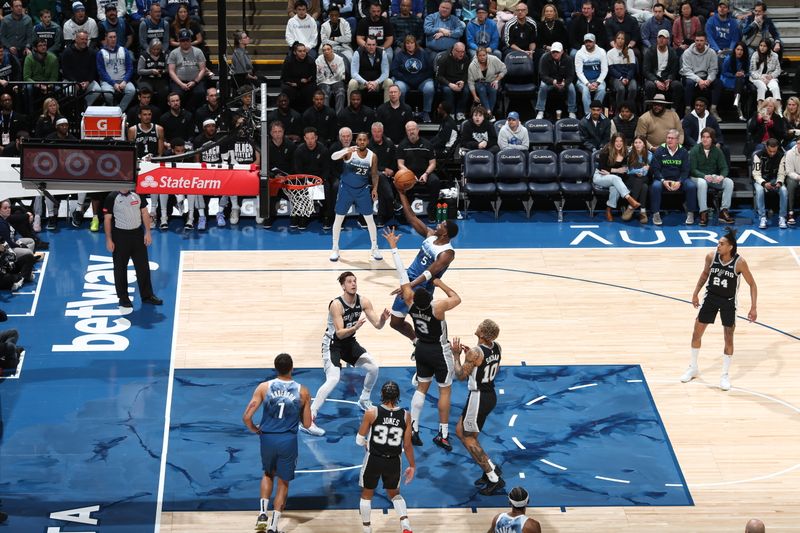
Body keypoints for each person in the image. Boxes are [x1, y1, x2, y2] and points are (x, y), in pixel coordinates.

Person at [303, 271, 388, 436]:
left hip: (349, 343)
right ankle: (309, 420)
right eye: (349, 281)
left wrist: (383, 319)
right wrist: (355, 328)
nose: (353, 284)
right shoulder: (336, 304)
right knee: (333, 379)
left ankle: (364, 399)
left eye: (355, 281)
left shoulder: (363, 301)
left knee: (373, 367)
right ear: (343, 286)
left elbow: (378, 325)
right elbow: (340, 333)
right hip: (333, 344)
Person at [242, 353, 312, 533]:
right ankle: (273, 526)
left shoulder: (264, 387)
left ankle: (262, 513)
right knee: (283, 482)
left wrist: (254, 429)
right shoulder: (303, 391)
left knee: (267, 474)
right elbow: (307, 424)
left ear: (275, 368)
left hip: (267, 438)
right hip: (287, 440)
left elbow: (247, 416)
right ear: (292, 368)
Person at [681, 228, 757, 391]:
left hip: (728, 302)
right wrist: (695, 294)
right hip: (710, 298)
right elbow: (704, 275)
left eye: (721, 244)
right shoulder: (711, 256)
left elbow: (752, 284)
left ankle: (724, 375)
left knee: (728, 337)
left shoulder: (740, 262)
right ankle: (693, 367)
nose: (718, 246)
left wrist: (753, 307)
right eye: (718, 243)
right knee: (696, 332)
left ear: (730, 247)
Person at [452, 319, 505, 496]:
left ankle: (494, 478)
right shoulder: (496, 347)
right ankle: (491, 468)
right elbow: (493, 369)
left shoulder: (475, 352)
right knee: (461, 431)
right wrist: (474, 362)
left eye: (480, 326)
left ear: (482, 334)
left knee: (469, 438)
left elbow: (460, 375)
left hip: (479, 397)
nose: (478, 326)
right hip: (490, 394)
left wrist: (456, 356)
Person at [355, 380, 415, 533]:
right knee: (395, 494)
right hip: (394, 460)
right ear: (398, 396)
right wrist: (412, 465)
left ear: (381, 394)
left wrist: (367, 444)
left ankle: (367, 529)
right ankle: (405, 524)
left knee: (367, 494)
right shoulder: (406, 415)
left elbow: (359, 440)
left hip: (374, 458)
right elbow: (407, 445)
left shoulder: (371, 412)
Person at [103, 188, 163, 312]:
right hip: (120, 236)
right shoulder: (111, 197)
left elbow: (145, 213)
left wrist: (148, 233)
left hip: (137, 234)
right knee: (120, 268)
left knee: (143, 267)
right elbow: (107, 219)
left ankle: (147, 296)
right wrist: (109, 239)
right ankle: (123, 298)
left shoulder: (137, 194)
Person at [329, 133, 383, 261]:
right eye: (360, 139)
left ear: (367, 141)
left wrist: (375, 188)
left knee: (369, 219)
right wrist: (345, 150)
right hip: (346, 189)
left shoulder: (372, 156)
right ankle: (335, 249)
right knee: (339, 218)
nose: (362, 142)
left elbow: (375, 174)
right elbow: (333, 157)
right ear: (356, 141)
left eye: (364, 140)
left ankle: (374, 248)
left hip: (362, 190)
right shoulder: (349, 152)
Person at [396, 121, 442, 221]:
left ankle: (431, 209)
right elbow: (400, 164)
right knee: (400, 183)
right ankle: (405, 213)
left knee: (435, 182)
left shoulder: (427, 144)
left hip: (425, 173)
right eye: (409, 130)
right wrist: (410, 175)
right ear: (406, 132)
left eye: (413, 129)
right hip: (408, 174)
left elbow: (433, 163)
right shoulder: (402, 145)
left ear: (418, 130)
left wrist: (426, 174)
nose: (411, 132)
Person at [689, 127, 735, 225]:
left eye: (708, 137)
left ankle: (724, 211)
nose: (705, 139)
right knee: (702, 183)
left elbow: (724, 168)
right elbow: (692, 170)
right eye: (703, 137)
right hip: (697, 177)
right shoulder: (695, 150)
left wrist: (721, 176)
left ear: (712, 139)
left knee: (729, 182)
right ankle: (703, 212)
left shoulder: (717, 151)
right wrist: (704, 176)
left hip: (711, 177)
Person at [650, 128, 694, 225]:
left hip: (678, 179)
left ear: (677, 140)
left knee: (691, 186)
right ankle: (656, 213)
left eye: (672, 138)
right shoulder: (660, 150)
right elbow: (655, 169)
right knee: (655, 186)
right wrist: (662, 180)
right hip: (663, 179)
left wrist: (680, 181)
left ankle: (691, 212)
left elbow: (685, 170)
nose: (669, 140)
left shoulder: (683, 151)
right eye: (668, 138)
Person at [594, 132, 642, 221]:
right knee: (616, 178)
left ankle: (608, 210)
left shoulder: (626, 153)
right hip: (600, 176)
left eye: (621, 141)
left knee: (615, 187)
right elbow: (602, 168)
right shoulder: (606, 150)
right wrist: (616, 170)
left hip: (615, 178)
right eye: (616, 141)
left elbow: (624, 169)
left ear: (624, 142)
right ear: (612, 142)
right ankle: (629, 199)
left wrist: (615, 171)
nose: (619, 143)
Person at [391, 34, 435, 123]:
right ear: (404, 44)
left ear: (415, 44)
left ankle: (426, 112)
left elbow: (430, 70)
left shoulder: (423, 53)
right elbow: (394, 70)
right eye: (407, 43)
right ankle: (402, 111)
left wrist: (419, 78)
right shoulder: (400, 54)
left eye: (411, 43)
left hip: (421, 80)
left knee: (429, 88)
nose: (409, 45)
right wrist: (406, 79)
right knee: (400, 88)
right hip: (405, 80)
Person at [167, 28, 207, 110]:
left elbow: (203, 69)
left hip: (195, 81)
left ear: (190, 40)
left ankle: (191, 112)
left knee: (200, 92)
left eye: (187, 40)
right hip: (179, 82)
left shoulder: (198, 52)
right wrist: (181, 84)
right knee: (177, 94)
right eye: (182, 40)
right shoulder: (174, 53)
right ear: (179, 41)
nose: (185, 42)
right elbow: (171, 71)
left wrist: (195, 82)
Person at [752, 137, 787, 229]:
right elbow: (756, 174)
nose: (772, 153)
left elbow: (781, 173)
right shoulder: (758, 155)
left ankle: (782, 217)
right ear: (766, 147)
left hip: (774, 179)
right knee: (759, 191)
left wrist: (779, 182)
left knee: (783, 190)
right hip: (760, 180)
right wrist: (763, 183)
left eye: (774, 151)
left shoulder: (781, 155)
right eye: (770, 151)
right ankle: (762, 217)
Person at [575, 33, 608, 116]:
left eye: (590, 42)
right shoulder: (579, 53)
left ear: (594, 42)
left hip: (597, 80)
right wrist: (588, 84)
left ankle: (596, 111)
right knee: (585, 91)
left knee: (601, 90)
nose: (588, 44)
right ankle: (588, 114)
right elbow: (579, 72)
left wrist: (597, 82)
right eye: (586, 42)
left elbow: (604, 70)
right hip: (583, 81)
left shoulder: (601, 52)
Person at [468, 46, 506, 117]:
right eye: (480, 55)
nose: (482, 57)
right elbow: (470, 82)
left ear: (487, 54)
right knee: (482, 90)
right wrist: (474, 96)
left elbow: (504, 69)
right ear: (476, 56)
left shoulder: (494, 59)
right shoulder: (472, 65)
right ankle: (489, 113)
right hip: (479, 82)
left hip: (492, 80)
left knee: (493, 89)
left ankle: (487, 113)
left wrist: (497, 80)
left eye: (484, 55)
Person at [606, 30, 638, 112]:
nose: (620, 40)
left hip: (629, 77)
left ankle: (630, 109)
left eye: (622, 39)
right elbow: (611, 69)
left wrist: (628, 78)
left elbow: (632, 68)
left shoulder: (630, 51)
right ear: (615, 39)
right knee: (621, 88)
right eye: (618, 38)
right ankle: (619, 110)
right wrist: (621, 78)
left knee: (633, 88)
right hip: (616, 77)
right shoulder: (610, 53)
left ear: (625, 41)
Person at [720, 41, 749, 121]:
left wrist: (743, 74)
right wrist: (734, 74)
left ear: (744, 51)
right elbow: (724, 72)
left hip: (739, 80)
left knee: (740, 80)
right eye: (738, 49)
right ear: (735, 50)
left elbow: (749, 72)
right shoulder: (729, 59)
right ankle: (738, 109)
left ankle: (737, 102)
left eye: (741, 50)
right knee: (739, 81)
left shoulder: (746, 60)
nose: (739, 52)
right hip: (728, 79)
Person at [626, 135, 652, 223]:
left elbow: (645, 172)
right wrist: (640, 170)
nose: (637, 145)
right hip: (631, 179)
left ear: (644, 144)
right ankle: (642, 211)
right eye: (635, 143)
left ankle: (631, 206)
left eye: (640, 143)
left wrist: (638, 170)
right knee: (644, 186)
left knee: (641, 180)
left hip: (644, 178)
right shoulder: (630, 153)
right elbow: (629, 171)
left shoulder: (649, 155)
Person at [749, 38, 780, 104]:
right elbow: (751, 71)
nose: (762, 48)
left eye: (764, 46)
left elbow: (778, 69)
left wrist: (771, 76)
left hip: (770, 78)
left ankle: (778, 110)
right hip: (757, 78)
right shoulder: (755, 55)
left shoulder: (775, 56)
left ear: (768, 47)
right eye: (761, 45)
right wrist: (761, 77)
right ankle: (760, 109)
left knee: (775, 88)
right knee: (762, 87)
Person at [785, 136, 800, 226]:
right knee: (791, 184)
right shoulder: (790, 153)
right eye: (798, 143)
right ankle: (790, 213)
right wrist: (798, 177)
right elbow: (789, 171)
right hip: (793, 176)